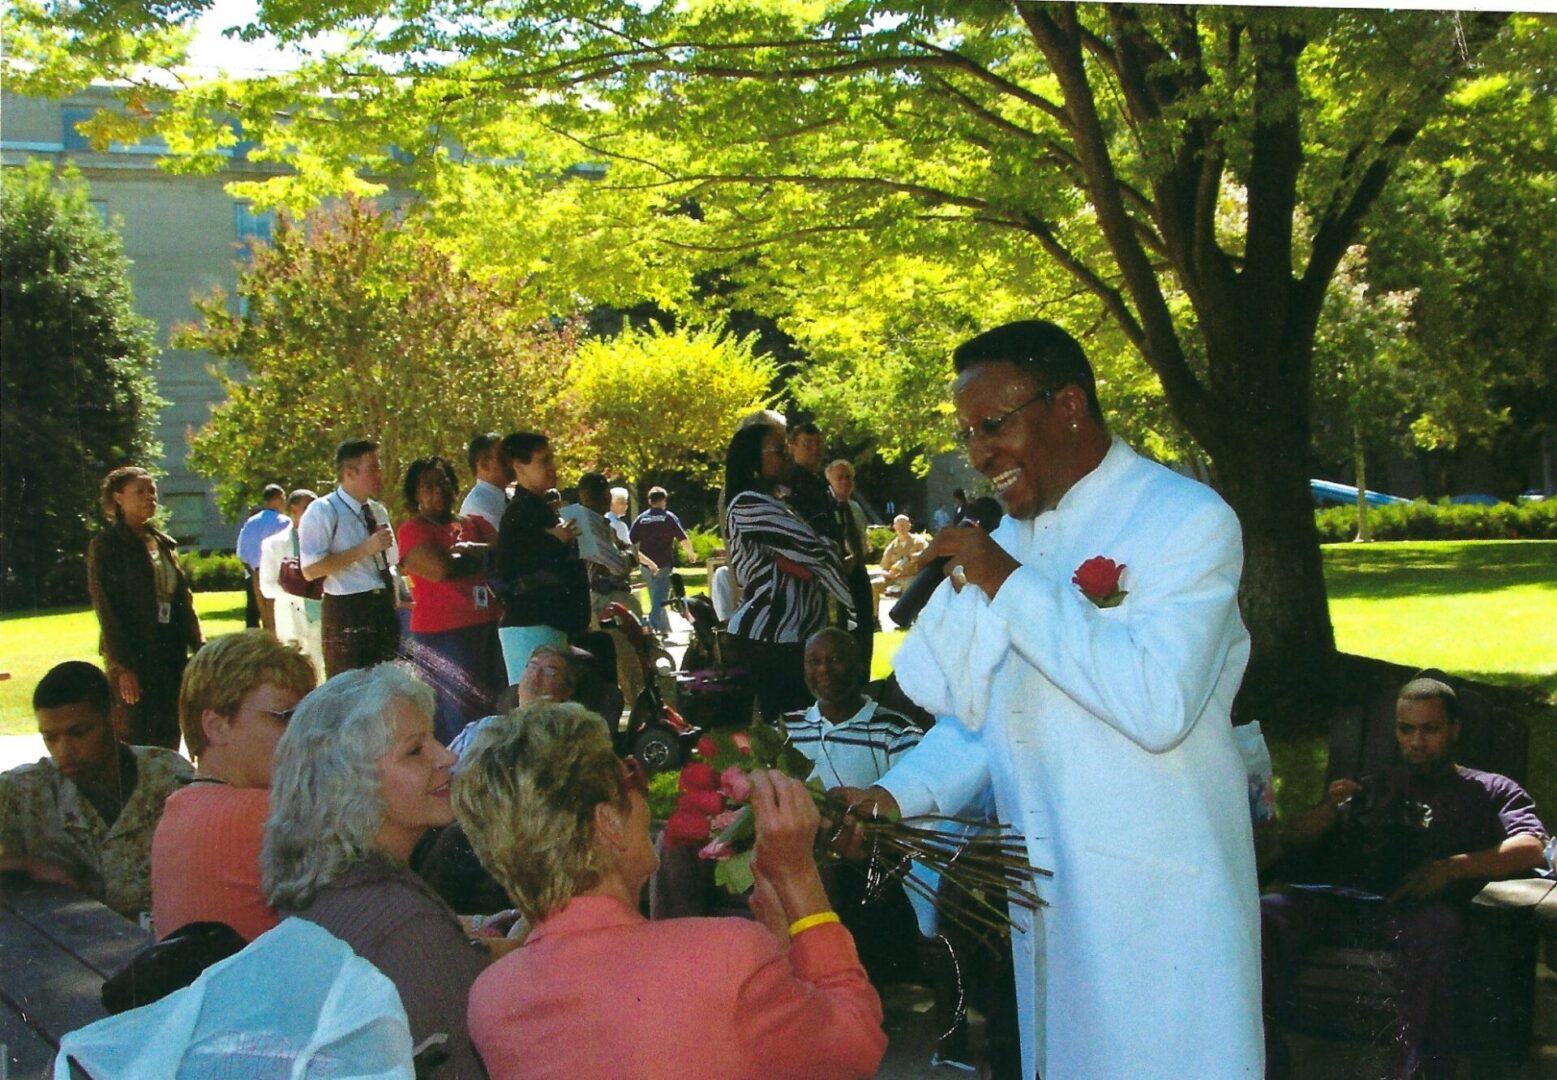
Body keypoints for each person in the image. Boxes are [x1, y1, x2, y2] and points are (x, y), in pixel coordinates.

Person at [837, 319, 1262, 1079]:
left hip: (1158, 897)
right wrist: (895, 796)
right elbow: (990, 712)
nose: (977, 455)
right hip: (1048, 896)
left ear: (1067, 405)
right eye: (967, 433)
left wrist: (1003, 580)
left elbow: (1156, 703)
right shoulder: (1016, 537)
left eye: (992, 426)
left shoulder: (1184, 520)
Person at [454, 700, 888, 1080]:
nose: (645, 794)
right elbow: (856, 1044)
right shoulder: (725, 956)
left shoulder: (493, 999)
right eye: (633, 777)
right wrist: (799, 880)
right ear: (608, 824)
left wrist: (777, 937)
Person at [1261, 676, 1548, 1079]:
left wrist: (1452, 867)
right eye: (1405, 729)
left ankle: (1413, 1070)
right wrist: (1330, 807)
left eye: (1430, 729)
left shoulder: (1490, 789)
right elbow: (1294, 837)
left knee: (1440, 928)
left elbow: (1532, 845)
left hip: (1421, 914)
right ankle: (1264, 1059)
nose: (1416, 741)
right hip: (1350, 905)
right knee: (1265, 915)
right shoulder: (1375, 784)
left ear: (1455, 729)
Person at [262, 664, 490, 1079]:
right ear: (351, 783)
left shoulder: (328, 884)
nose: (448, 756)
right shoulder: (405, 924)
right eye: (415, 750)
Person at [151, 632, 317, 941]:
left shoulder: (180, 809)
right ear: (217, 726)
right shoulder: (263, 814)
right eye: (285, 717)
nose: (305, 734)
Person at [783, 628, 922, 983]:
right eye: (814, 661)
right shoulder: (787, 729)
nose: (824, 669)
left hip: (866, 862)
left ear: (860, 666)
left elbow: (912, 809)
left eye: (835, 659)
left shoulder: (895, 730)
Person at [0, 661, 192, 917]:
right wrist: (27, 863)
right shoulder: (23, 792)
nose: (63, 751)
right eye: (50, 738)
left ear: (116, 718)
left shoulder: (169, 776)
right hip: (74, 946)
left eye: (79, 733)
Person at [722, 422, 853, 723]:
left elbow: (809, 555)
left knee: (801, 730)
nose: (787, 458)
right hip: (771, 635)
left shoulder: (774, 501)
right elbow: (816, 550)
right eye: (779, 451)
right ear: (754, 459)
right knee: (791, 733)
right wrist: (825, 556)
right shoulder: (748, 504)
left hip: (793, 633)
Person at [87, 466, 205, 748]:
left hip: (169, 652)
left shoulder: (163, 543)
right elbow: (107, 609)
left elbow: (181, 600)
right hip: (134, 655)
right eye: (139, 492)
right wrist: (124, 666)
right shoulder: (106, 546)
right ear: (118, 498)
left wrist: (198, 646)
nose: (149, 497)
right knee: (137, 733)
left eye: (151, 491)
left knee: (170, 729)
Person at [398, 455, 504, 745]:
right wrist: (479, 557)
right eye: (427, 486)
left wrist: (468, 553)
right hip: (443, 636)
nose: (437, 490)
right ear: (415, 494)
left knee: (498, 706)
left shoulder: (477, 523)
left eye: (443, 482)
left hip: (489, 626)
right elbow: (439, 570)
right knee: (458, 715)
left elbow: (503, 557)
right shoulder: (412, 530)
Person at [298, 438, 401, 677]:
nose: (379, 475)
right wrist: (364, 549)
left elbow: (392, 558)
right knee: (349, 686)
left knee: (389, 683)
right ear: (350, 473)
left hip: (383, 605)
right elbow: (311, 569)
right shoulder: (324, 510)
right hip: (348, 608)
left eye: (379, 467)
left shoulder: (377, 510)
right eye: (372, 468)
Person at [494, 432, 589, 686]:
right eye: (542, 461)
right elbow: (511, 565)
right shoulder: (519, 512)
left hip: (549, 619)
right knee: (536, 701)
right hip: (529, 622)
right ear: (518, 466)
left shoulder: (538, 508)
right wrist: (553, 541)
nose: (551, 468)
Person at [257, 488, 326, 679]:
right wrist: (298, 588)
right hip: (293, 620)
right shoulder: (274, 544)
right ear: (293, 510)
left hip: (326, 618)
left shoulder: (327, 541)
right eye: (307, 508)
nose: (314, 513)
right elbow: (267, 587)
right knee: (298, 678)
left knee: (327, 676)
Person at [559, 472, 640, 620]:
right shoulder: (584, 526)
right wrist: (629, 554)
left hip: (610, 597)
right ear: (607, 495)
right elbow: (619, 565)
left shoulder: (597, 522)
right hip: (605, 600)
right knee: (625, 642)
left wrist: (627, 551)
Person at [824, 460, 877, 669]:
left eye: (849, 477)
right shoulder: (826, 509)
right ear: (830, 481)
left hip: (859, 573)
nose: (845, 482)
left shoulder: (855, 509)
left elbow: (863, 542)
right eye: (840, 478)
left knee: (865, 630)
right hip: (838, 577)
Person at [629, 485, 696, 637]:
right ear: (664, 500)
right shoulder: (668, 517)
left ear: (649, 501)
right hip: (663, 563)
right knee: (660, 596)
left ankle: (664, 629)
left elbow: (630, 541)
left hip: (645, 564)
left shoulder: (641, 518)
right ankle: (651, 624)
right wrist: (691, 553)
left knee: (656, 596)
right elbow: (682, 538)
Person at [236, 484, 288, 632]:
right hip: (278, 575)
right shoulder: (283, 522)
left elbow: (242, 552)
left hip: (254, 573)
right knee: (279, 618)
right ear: (278, 499)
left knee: (257, 614)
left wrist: (253, 574)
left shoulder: (250, 522)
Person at [783, 420, 839, 546]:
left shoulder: (821, 481)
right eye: (807, 445)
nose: (815, 450)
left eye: (818, 444)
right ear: (792, 448)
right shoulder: (792, 482)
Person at [459, 432, 510, 534]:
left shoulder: (509, 494)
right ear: (484, 464)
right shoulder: (478, 504)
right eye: (503, 458)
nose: (510, 462)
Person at [880, 514, 928, 594]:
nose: (901, 528)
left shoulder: (919, 542)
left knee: (908, 585)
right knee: (874, 584)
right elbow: (883, 568)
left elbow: (927, 554)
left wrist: (915, 557)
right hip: (894, 579)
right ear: (894, 527)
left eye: (904, 525)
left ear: (909, 526)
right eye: (899, 526)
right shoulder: (891, 547)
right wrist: (888, 574)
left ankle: (909, 606)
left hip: (913, 577)